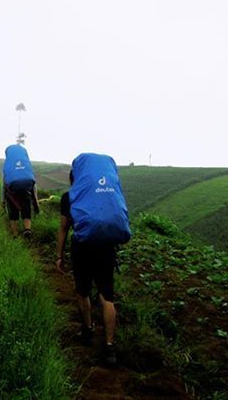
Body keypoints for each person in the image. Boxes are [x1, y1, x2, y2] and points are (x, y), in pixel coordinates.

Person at [55, 154, 131, 366]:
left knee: (83, 291)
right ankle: (109, 347)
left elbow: (63, 229)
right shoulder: (108, 196)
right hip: (106, 248)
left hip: (82, 249)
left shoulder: (68, 198)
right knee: (107, 295)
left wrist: (59, 256)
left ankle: (87, 331)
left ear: (75, 178)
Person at [1, 144, 40, 238]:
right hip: (26, 189)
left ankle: (15, 234)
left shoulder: (7, 164)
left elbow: (3, 184)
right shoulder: (26, 163)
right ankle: (27, 229)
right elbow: (33, 183)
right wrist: (36, 202)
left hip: (12, 191)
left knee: (13, 213)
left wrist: (2, 200)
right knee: (26, 209)